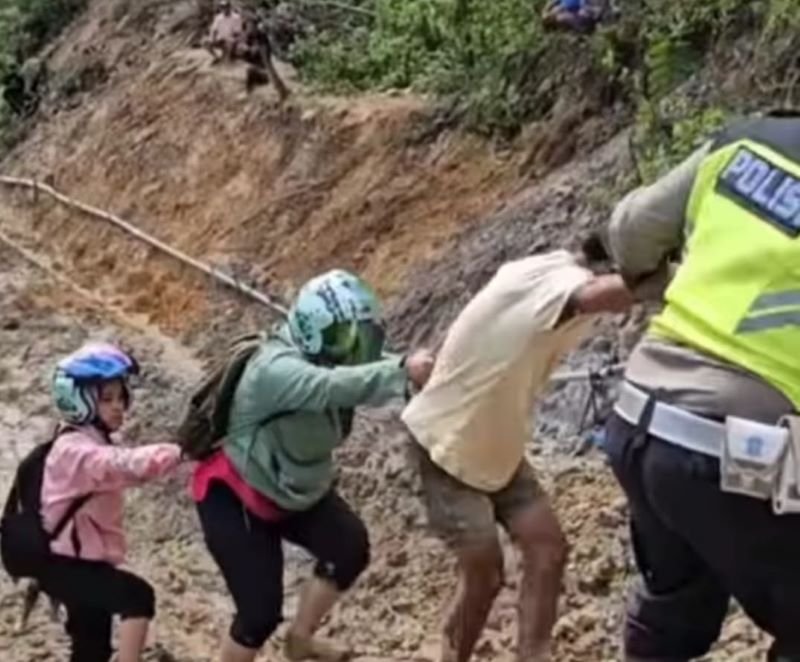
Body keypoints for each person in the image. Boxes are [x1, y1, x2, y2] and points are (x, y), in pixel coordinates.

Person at [602, 111, 800, 661]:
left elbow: (630, 232)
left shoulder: (750, 140)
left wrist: (657, 283)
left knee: (674, 608)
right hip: (741, 448)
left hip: (637, 413)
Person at [401, 248, 632, 662]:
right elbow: (591, 296)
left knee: (547, 549)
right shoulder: (565, 287)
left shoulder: (542, 266)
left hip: (496, 444)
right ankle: (451, 655)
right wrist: (679, 280)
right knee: (485, 574)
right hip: (447, 446)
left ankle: (533, 654)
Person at [193, 269, 434, 662]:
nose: (352, 347)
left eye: (356, 337)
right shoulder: (275, 369)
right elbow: (330, 385)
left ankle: (300, 640)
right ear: (311, 331)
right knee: (258, 614)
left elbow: (360, 371)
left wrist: (413, 374)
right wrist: (402, 370)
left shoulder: (325, 359)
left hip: (294, 486)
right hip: (237, 492)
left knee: (348, 547)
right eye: (342, 338)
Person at [37, 342, 183, 662]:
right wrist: (178, 451)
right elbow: (124, 465)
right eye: (107, 399)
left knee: (91, 648)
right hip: (69, 565)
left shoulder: (84, 439)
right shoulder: (75, 451)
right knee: (137, 597)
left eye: (121, 397)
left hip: (77, 563)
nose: (118, 407)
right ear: (78, 402)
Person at [242, 18, 290, 100]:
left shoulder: (261, 36)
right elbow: (246, 49)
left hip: (266, 63)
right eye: (248, 27)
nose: (250, 28)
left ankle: (282, 91)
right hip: (258, 65)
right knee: (250, 69)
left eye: (251, 26)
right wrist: (249, 49)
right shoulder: (249, 36)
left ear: (255, 26)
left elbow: (265, 54)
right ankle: (250, 91)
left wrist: (255, 50)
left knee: (269, 70)